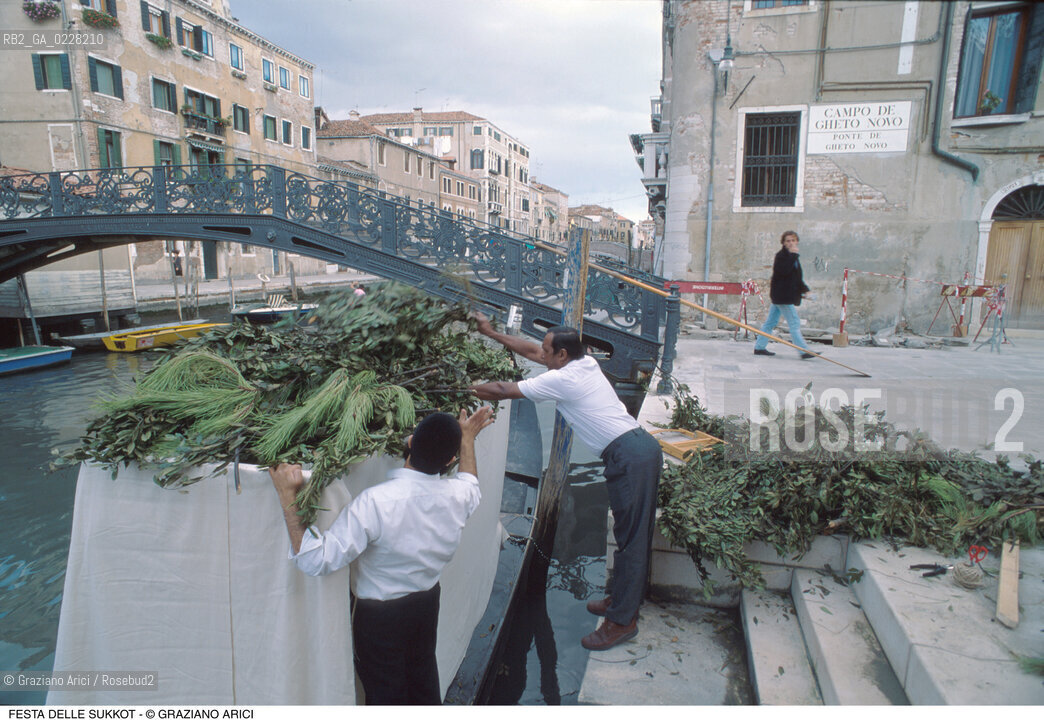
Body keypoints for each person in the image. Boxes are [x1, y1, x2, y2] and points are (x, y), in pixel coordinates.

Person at [269, 405, 495, 705]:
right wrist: (466, 438)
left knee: (385, 695)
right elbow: (471, 482)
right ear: (450, 461)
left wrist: (287, 496)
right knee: (424, 681)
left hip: (380, 618)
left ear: (411, 442)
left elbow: (316, 560)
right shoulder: (458, 497)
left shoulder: (376, 503)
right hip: (427, 605)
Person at [470, 316, 663, 652]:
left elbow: (503, 390)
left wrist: (462, 388)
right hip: (632, 452)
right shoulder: (582, 362)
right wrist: (491, 333)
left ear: (561, 356)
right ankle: (619, 600)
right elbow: (532, 350)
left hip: (630, 456)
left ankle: (621, 622)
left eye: (548, 351)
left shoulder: (564, 381)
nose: (541, 355)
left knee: (631, 539)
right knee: (626, 533)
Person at [753, 230, 815, 359]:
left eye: (793, 240)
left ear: (797, 241)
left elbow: (797, 278)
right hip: (782, 296)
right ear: (783, 243)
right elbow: (784, 272)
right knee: (794, 322)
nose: (791, 243)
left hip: (781, 295)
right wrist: (793, 256)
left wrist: (806, 290)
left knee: (770, 322)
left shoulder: (793, 257)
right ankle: (803, 351)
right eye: (788, 241)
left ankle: (759, 347)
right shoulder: (781, 256)